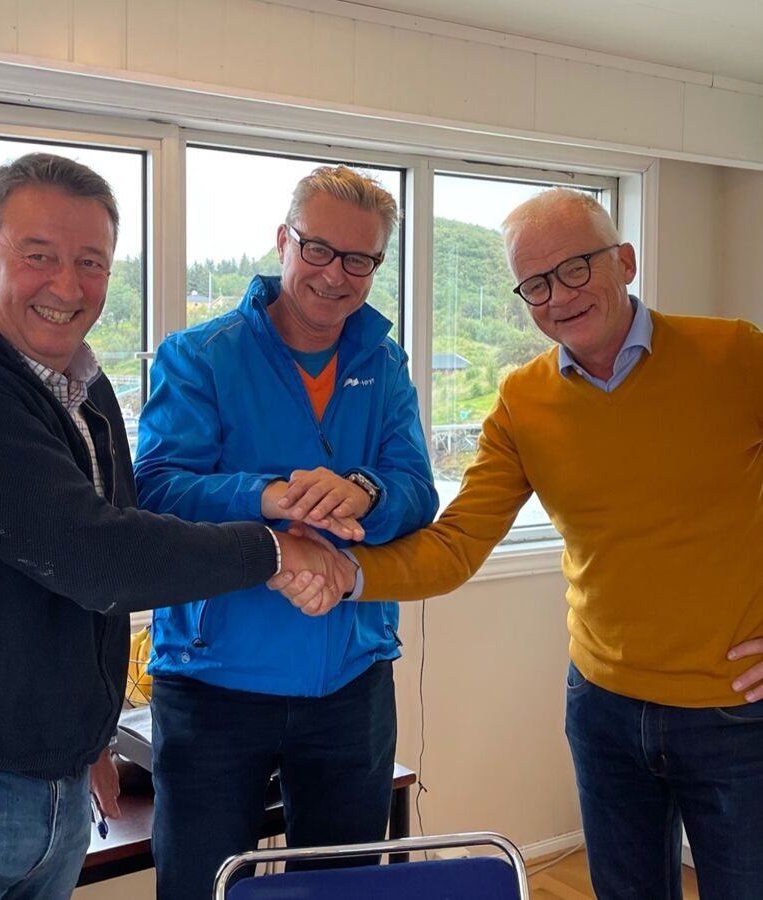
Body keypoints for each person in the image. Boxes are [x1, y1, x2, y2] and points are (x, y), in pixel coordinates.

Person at [0, 152, 344, 900]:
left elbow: (94, 575)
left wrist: (88, 735)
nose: (67, 285)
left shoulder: (81, 392)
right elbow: (97, 557)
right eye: (39, 256)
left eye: (91, 262)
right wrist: (276, 550)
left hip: (44, 782)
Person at [274, 188, 763, 900]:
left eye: (575, 268)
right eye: (535, 283)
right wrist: (346, 574)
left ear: (624, 262)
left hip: (735, 714)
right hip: (603, 706)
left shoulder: (734, 355)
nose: (558, 297)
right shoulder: (523, 401)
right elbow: (458, 543)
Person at [133, 164, 437, 900]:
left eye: (360, 259)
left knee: (343, 889)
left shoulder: (383, 360)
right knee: (203, 888)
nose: (336, 276)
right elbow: (157, 489)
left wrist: (363, 489)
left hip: (352, 679)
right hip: (214, 685)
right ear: (283, 242)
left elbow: (416, 491)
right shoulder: (199, 355)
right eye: (319, 249)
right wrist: (275, 497)